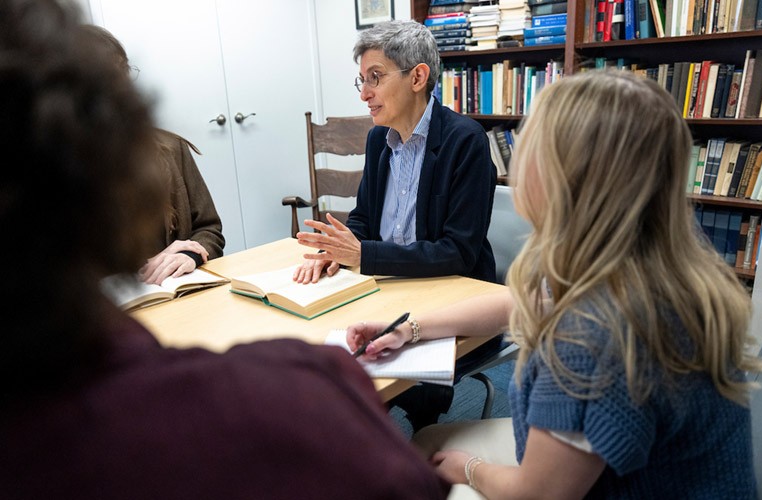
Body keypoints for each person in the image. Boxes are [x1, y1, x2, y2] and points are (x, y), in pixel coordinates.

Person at [0, 2, 447, 498]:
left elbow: (210, 230)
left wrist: (193, 248)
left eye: (374, 78)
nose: (365, 93)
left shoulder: (456, 141)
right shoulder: (303, 395)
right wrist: (347, 248)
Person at [345, 71, 762, 498]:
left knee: (430, 462)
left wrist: (469, 469)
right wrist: (407, 329)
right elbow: (520, 301)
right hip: (674, 478)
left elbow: (540, 495)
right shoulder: (648, 265)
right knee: (425, 445)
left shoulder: (589, 334)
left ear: (561, 177)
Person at [293, 20, 496, 284]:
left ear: (417, 78)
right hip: (385, 281)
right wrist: (335, 250)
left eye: (375, 78)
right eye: (362, 81)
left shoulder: (466, 141)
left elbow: (458, 252)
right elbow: (364, 219)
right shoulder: (378, 138)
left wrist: (365, 255)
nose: (364, 94)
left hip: (448, 288)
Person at [77, 25, 225, 286]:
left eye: (121, 74)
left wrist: (189, 255)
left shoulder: (171, 147)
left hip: (176, 293)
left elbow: (209, 229)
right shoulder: (59, 167)